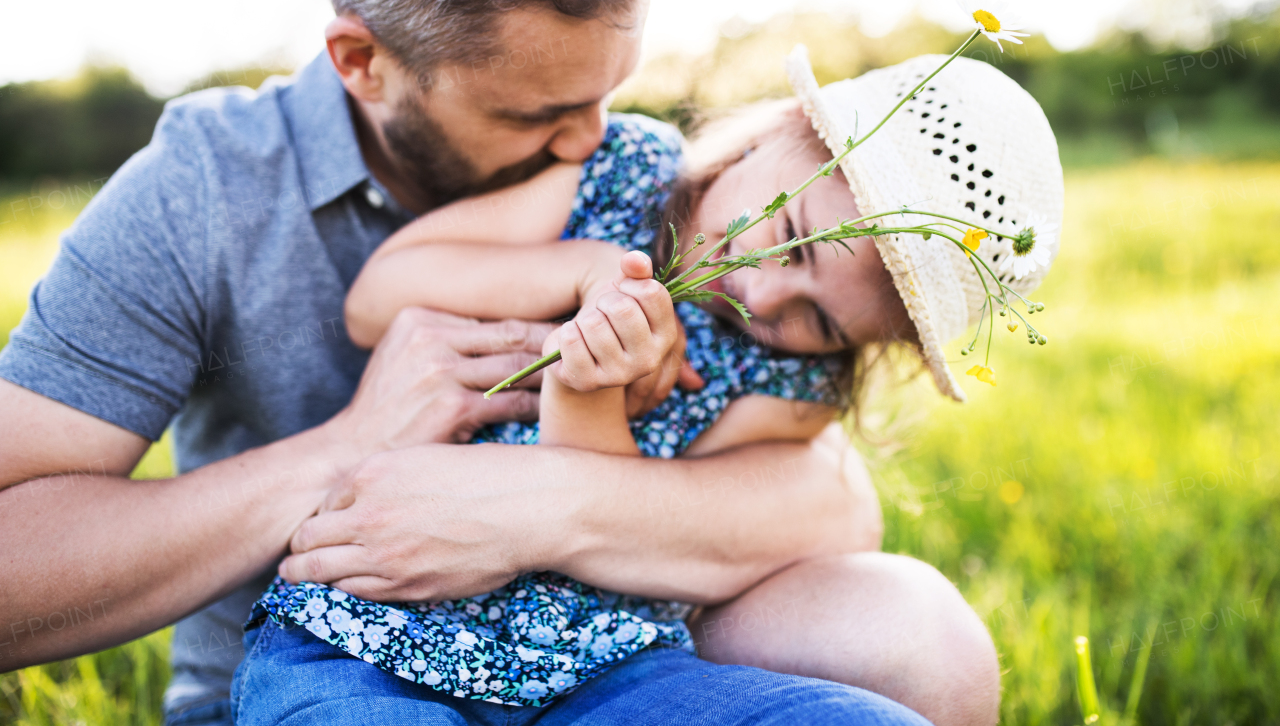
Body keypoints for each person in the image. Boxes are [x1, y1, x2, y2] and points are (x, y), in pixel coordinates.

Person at [0, 0, 1012, 725]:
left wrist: (555, 473)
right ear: (361, 61)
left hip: (595, 665)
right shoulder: (204, 189)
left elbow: (823, 493)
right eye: (539, 112)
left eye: (608, 94)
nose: (591, 142)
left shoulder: (654, 188)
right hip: (356, 659)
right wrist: (343, 448)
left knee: (916, 642)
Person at [232, 50, 1063, 723]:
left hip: (599, 666)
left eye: (824, 322)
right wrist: (589, 272)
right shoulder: (621, 176)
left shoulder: (792, 387)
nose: (764, 297)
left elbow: (635, 549)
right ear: (772, 137)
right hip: (367, 635)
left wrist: (590, 394)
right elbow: (378, 299)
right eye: (789, 239)